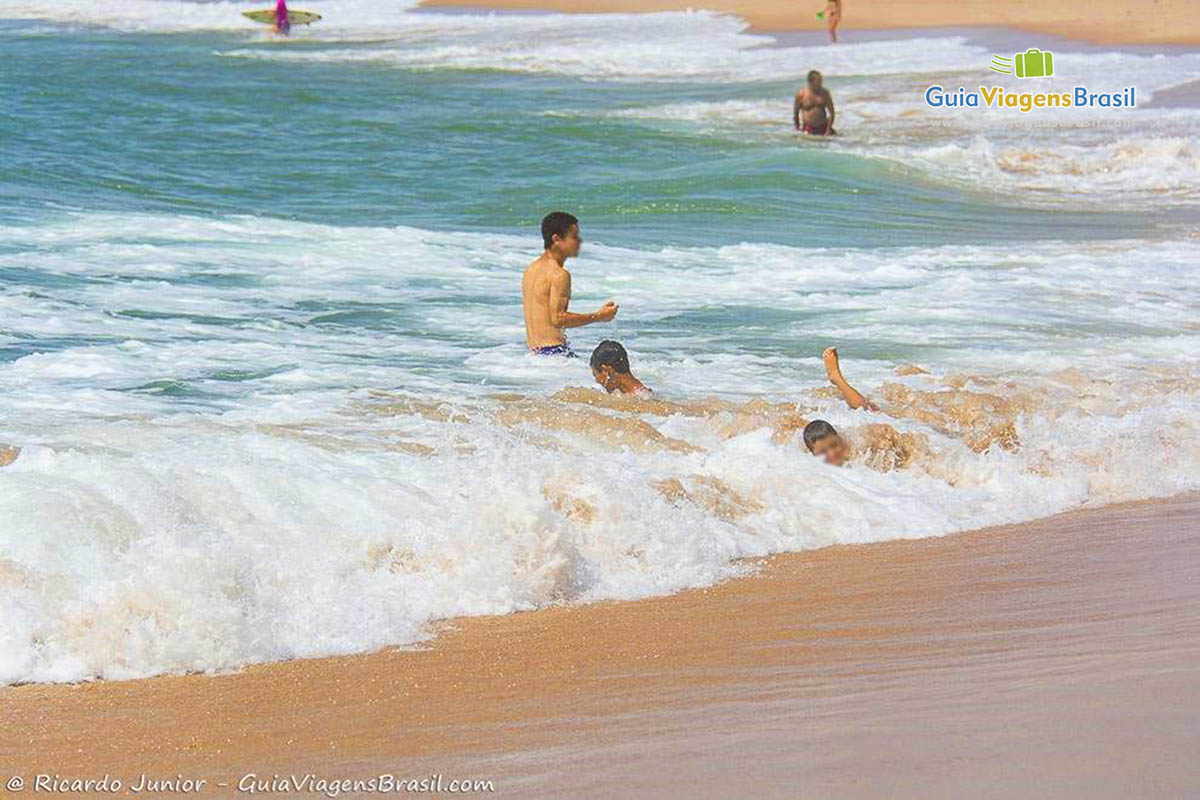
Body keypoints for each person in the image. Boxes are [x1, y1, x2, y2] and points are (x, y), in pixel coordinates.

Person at [522, 212, 618, 357]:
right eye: (574, 237)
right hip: (554, 356)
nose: (579, 241)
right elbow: (558, 319)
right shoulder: (559, 274)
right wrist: (599, 316)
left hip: (534, 355)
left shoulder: (531, 269)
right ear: (556, 239)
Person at [803, 347, 874, 466]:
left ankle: (837, 378)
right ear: (813, 453)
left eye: (834, 445)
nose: (832, 454)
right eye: (823, 452)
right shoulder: (804, 460)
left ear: (839, 439)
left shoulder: (854, 450)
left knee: (869, 410)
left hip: (861, 427)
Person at [794, 70, 836, 136]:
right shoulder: (801, 94)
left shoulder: (825, 93)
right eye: (818, 81)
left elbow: (832, 113)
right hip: (808, 128)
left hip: (823, 127)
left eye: (821, 80)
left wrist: (828, 130)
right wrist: (797, 129)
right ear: (811, 82)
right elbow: (796, 113)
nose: (821, 83)